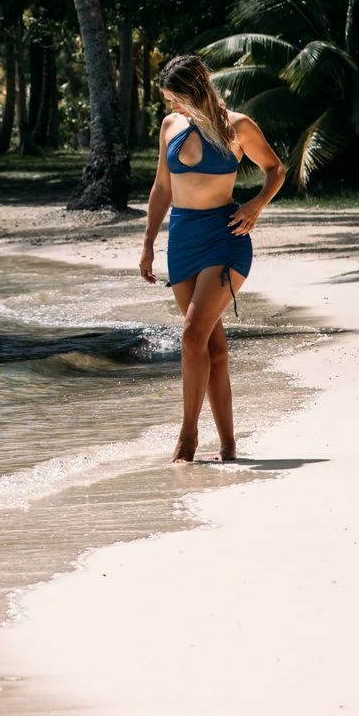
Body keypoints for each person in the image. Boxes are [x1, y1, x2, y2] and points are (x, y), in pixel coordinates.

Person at [139, 53, 288, 462]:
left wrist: (255, 205)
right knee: (212, 347)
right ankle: (229, 446)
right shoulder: (171, 126)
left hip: (226, 238)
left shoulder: (237, 126)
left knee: (190, 337)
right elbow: (162, 188)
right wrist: (149, 241)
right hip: (182, 240)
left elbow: (276, 169)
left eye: (174, 97)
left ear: (192, 91)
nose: (170, 106)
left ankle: (187, 439)